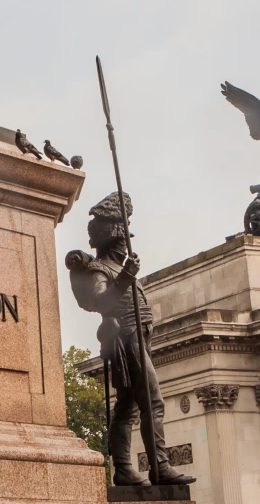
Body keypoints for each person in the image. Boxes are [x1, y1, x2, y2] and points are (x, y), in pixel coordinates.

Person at [65, 193, 195, 488]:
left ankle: (124, 469)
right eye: (122, 240)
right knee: (152, 401)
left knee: (127, 407)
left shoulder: (117, 269)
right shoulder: (100, 269)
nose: (126, 246)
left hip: (140, 337)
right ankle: (160, 466)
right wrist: (126, 276)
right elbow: (101, 301)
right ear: (112, 239)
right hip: (126, 338)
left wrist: (126, 275)